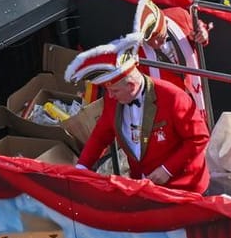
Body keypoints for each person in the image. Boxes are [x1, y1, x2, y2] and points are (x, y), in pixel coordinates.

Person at [68, 37, 210, 193]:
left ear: (131, 85)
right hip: (144, 186)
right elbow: (100, 136)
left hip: (182, 186)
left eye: (114, 91)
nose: (110, 96)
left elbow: (199, 138)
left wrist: (167, 169)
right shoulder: (112, 99)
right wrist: (81, 168)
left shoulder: (174, 98)